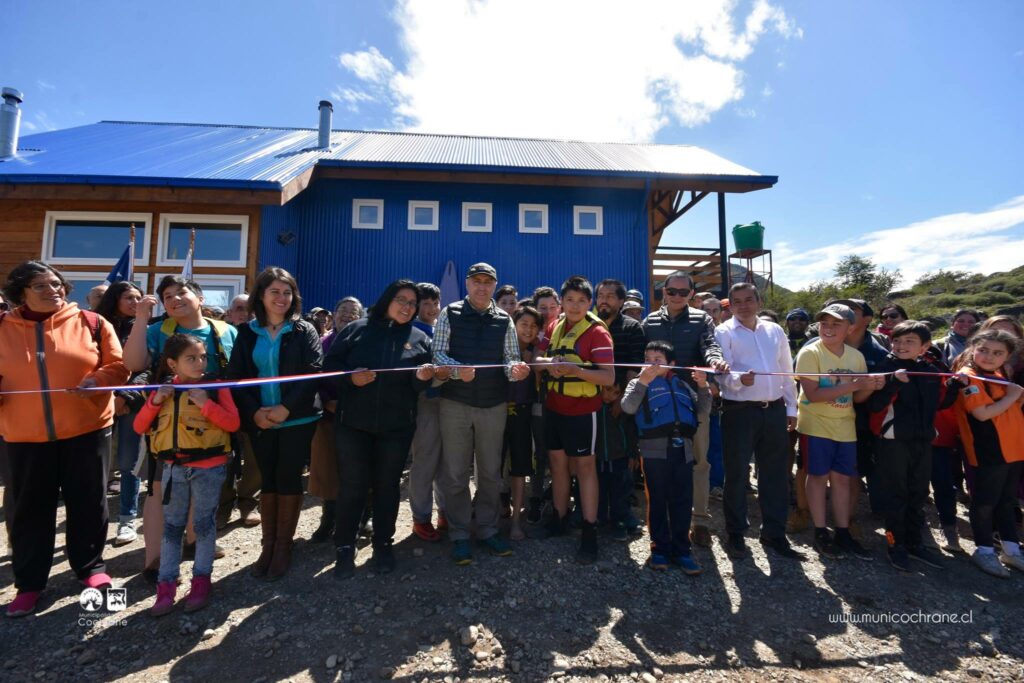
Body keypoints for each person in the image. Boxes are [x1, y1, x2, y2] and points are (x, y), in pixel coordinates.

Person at [1, 261, 129, 617]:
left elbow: (118, 366)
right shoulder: (2, 326)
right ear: (20, 292)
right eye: (41, 286)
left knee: (89, 502)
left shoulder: (92, 322)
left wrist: (97, 382)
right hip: (23, 436)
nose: (53, 290)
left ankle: (91, 569)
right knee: (28, 512)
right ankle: (29, 585)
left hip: (87, 431)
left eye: (57, 284)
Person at [124, 275, 237, 580]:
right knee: (159, 490)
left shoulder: (227, 331)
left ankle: (195, 543)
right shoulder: (157, 330)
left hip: (212, 421)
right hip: (166, 423)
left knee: (203, 487)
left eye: (181, 292)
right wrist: (141, 318)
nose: (174, 299)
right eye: (167, 296)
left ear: (200, 298)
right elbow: (133, 363)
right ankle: (155, 559)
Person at [326, 280, 435, 577]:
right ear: (387, 299)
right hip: (353, 425)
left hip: (396, 428)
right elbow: (330, 366)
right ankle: (344, 548)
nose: (407, 307)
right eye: (401, 300)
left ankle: (383, 544)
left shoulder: (420, 338)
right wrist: (350, 378)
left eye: (412, 303)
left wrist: (424, 377)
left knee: (387, 488)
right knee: (352, 486)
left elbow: (416, 385)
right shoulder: (356, 329)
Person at [226, 267, 322, 581]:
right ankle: (267, 545)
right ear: (261, 296)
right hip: (259, 421)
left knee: (288, 476)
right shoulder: (247, 332)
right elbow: (237, 378)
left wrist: (285, 408)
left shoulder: (303, 329)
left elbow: (313, 372)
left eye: (287, 292)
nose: (281, 298)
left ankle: (283, 547)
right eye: (274, 292)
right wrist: (254, 413)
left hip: (297, 418)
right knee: (269, 478)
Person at [134, 334, 240, 615]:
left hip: (210, 467)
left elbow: (232, 423)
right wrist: (155, 401)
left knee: (204, 526)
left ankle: (201, 582)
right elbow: (139, 426)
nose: (200, 363)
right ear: (172, 363)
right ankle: (166, 586)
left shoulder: (216, 387)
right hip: (173, 469)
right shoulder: (162, 390)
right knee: (171, 528)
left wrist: (206, 403)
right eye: (191, 358)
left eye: (203, 357)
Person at [433, 263, 531, 565]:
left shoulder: (504, 319)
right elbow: (437, 353)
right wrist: (454, 371)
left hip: (493, 404)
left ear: (494, 285)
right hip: (455, 403)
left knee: (490, 472)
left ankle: (488, 529)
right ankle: (460, 533)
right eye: (477, 281)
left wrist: (515, 371)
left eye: (488, 282)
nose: (482, 287)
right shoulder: (449, 313)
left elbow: (510, 357)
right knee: (456, 473)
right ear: (467, 283)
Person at [714, 283, 803, 560]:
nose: (744, 305)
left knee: (775, 474)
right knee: (737, 474)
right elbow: (721, 372)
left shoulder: (774, 330)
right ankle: (736, 533)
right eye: (737, 301)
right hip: (739, 411)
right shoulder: (723, 331)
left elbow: (786, 371)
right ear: (730, 304)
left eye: (749, 300)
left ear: (758, 300)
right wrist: (740, 380)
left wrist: (791, 407)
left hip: (774, 410)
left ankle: (775, 533)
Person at [642, 271, 729, 549]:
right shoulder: (650, 321)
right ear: (663, 292)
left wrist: (715, 362)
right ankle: (664, 524)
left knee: (699, 461)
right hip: (658, 402)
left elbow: (710, 346)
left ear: (692, 294)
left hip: (692, 400)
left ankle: (700, 520)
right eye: (672, 291)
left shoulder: (702, 319)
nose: (677, 296)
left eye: (683, 292)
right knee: (661, 464)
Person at [533, 275, 615, 563]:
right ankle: (559, 519)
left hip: (582, 411)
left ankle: (589, 533)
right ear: (562, 302)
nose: (575, 306)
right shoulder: (553, 326)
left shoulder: (597, 333)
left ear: (589, 302)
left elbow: (608, 376)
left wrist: (575, 370)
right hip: (554, 408)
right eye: (570, 300)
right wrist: (549, 364)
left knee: (585, 468)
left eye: (582, 301)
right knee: (557, 465)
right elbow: (536, 359)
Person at [866, 321, 960, 572]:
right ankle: (894, 544)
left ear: (925, 346)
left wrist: (954, 386)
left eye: (909, 341)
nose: (901, 346)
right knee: (896, 495)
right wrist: (894, 383)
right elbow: (875, 407)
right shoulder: (885, 368)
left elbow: (940, 404)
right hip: (893, 441)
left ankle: (915, 543)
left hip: (923, 440)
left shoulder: (929, 370)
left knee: (918, 493)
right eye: (897, 340)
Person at [795, 303, 882, 561]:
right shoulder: (810, 353)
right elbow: (813, 394)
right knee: (818, 477)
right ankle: (820, 531)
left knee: (843, 479)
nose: (828, 328)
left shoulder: (855, 357)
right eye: (824, 323)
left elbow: (858, 398)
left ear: (850, 327)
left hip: (845, 424)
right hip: (815, 423)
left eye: (836, 324)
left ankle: (843, 531)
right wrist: (855, 384)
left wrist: (871, 387)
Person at [621, 341, 709, 574]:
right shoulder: (637, 383)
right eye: (647, 358)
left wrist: (703, 387)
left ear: (671, 364)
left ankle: (682, 550)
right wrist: (642, 382)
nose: (651, 363)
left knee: (682, 500)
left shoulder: (681, 383)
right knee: (658, 499)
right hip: (653, 450)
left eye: (657, 359)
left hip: (683, 450)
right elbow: (628, 407)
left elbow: (702, 410)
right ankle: (659, 548)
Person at [951, 329, 1024, 578]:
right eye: (983, 350)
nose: (989, 356)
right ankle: (983, 550)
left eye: (997, 353)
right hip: (989, 451)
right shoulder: (968, 377)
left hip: (1014, 448)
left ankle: (1011, 550)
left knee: (1007, 500)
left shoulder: (1000, 374)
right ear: (972, 348)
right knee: (984, 503)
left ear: (1008, 356)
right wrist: (1014, 395)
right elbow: (982, 414)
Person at [95, 281, 149, 546]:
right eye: (129, 297)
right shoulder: (93, 327)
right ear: (114, 299)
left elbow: (147, 368)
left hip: (129, 405)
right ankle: (92, 523)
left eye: (139, 298)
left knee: (129, 464)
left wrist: (124, 396)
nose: (135, 302)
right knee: (94, 465)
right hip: (95, 405)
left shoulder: (144, 330)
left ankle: (126, 519)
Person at [308, 296, 365, 543]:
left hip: (360, 417)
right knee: (328, 470)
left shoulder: (366, 342)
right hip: (328, 415)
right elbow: (313, 377)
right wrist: (327, 401)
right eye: (343, 310)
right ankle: (328, 518)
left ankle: (364, 518)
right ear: (333, 314)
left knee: (361, 470)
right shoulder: (322, 343)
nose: (348, 315)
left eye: (354, 312)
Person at [829, 298, 890, 525]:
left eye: (853, 310)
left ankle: (849, 521)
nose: (845, 314)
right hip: (821, 419)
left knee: (853, 472)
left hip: (862, 424)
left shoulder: (880, 354)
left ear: (867, 319)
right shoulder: (817, 345)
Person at [409, 283, 449, 541]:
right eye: (426, 304)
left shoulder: (442, 330)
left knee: (448, 462)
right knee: (425, 462)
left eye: (436, 303)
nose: (432, 309)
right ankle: (420, 518)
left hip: (449, 403)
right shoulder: (410, 333)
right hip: (424, 403)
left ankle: (444, 511)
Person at [505, 306, 542, 540]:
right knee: (490, 467)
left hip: (523, 413)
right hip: (496, 410)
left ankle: (516, 521)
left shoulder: (536, 352)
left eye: (533, 325)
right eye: (524, 324)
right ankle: (490, 515)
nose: (528, 329)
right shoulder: (500, 347)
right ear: (514, 324)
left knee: (519, 468)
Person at [527, 285, 563, 521]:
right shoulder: (531, 330)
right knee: (540, 451)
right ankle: (536, 498)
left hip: (565, 398)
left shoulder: (568, 327)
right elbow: (532, 362)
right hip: (538, 398)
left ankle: (558, 497)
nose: (549, 311)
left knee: (563, 452)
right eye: (543, 307)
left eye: (552, 307)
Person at [594, 383, 640, 541]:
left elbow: (632, 432)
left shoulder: (624, 410)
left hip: (620, 457)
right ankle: (599, 518)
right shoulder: (594, 406)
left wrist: (633, 453)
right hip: (598, 458)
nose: (609, 395)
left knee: (621, 491)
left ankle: (620, 520)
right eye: (607, 390)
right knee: (599, 490)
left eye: (615, 392)